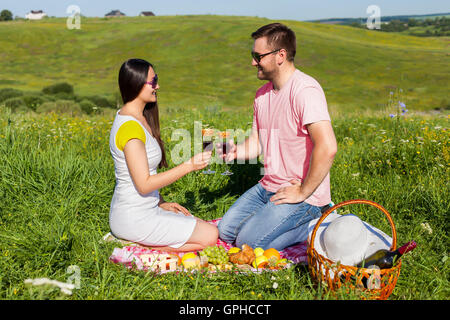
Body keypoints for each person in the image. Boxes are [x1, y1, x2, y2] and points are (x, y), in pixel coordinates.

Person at [217, 23, 337, 251]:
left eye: (258, 56)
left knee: (248, 243)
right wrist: (234, 151)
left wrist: (304, 191)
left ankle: (318, 221)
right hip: (267, 186)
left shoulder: (305, 91)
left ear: (280, 55)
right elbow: (257, 143)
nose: (253, 62)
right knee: (226, 231)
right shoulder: (261, 95)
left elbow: (328, 146)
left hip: (303, 193)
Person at [109, 58, 218, 252]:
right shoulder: (130, 129)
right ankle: (137, 247)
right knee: (210, 236)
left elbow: (141, 175)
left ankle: (141, 242)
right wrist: (189, 166)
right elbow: (143, 184)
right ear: (136, 84)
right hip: (133, 218)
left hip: (144, 211)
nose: (157, 86)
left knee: (199, 224)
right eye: (153, 81)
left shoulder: (139, 117)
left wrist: (161, 203)